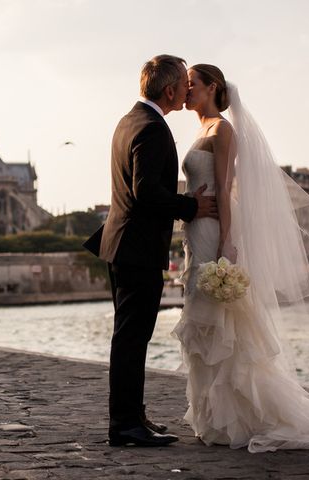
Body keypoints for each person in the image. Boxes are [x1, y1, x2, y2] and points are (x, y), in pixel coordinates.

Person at [172, 63, 309, 452]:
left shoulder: (222, 129)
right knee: (202, 320)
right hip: (195, 232)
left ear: (212, 88)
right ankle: (216, 418)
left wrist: (227, 243)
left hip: (213, 232)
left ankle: (239, 415)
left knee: (220, 321)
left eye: (192, 85)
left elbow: (225, 187)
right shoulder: (202, 129)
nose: (185, 91)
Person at [83, 55, 218, 447]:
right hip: (136, 247)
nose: (188, 92)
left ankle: (133, 416)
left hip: (122, 244)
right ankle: (125, 424)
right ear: (171, 90)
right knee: (131, 337)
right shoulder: (153, 129)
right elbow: (145, 190)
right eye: (184, 87)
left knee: (130, 336)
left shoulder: (129, 121)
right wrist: (191, 206)